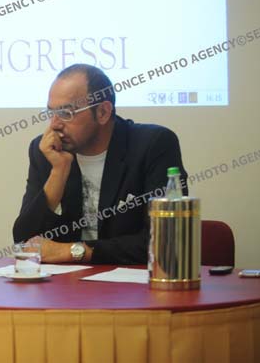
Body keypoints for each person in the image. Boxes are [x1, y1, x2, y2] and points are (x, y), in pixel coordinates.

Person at [13, 64, 188, 264]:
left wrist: (75, 251)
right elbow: (24, 242)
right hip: (65, 281)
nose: (54, 124)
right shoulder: (47, 151)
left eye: (66, 113)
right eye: (50, 113)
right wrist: (59, 172)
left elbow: (165, 239)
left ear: (103, 112)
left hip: (132, 280)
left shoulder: (153, 145)